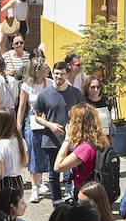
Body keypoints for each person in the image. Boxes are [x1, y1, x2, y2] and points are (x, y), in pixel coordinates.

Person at [34, 62, 83, 202]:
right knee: (53, 173)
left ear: (67, 75)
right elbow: (37, 117)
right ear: (53, 74)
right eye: (56, 73)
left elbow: (82, 114)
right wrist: (50, 125)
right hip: (51, 140)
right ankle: (56, 202)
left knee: (70, 173)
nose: (59, 76)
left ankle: (69, 198)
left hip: (71, 140)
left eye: (62, 74)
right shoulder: (44, 94)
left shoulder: (75, 93)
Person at [53, 104, 108, 199]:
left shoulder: (85, 148)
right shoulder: (102, 140)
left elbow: (57, 167)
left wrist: (67, 139)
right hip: (100, 191)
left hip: (85, 193)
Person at [17, 57, 51, 202]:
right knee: (33, 152)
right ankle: (34, 187)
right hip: (33, 121)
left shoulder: (49, 84)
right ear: (37, 71)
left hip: (47, 120)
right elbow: (22, 106)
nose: (48, 69)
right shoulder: (26, 86)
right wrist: (18, 124)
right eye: (46, 67)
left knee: (44, 151)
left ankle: (41, 180)